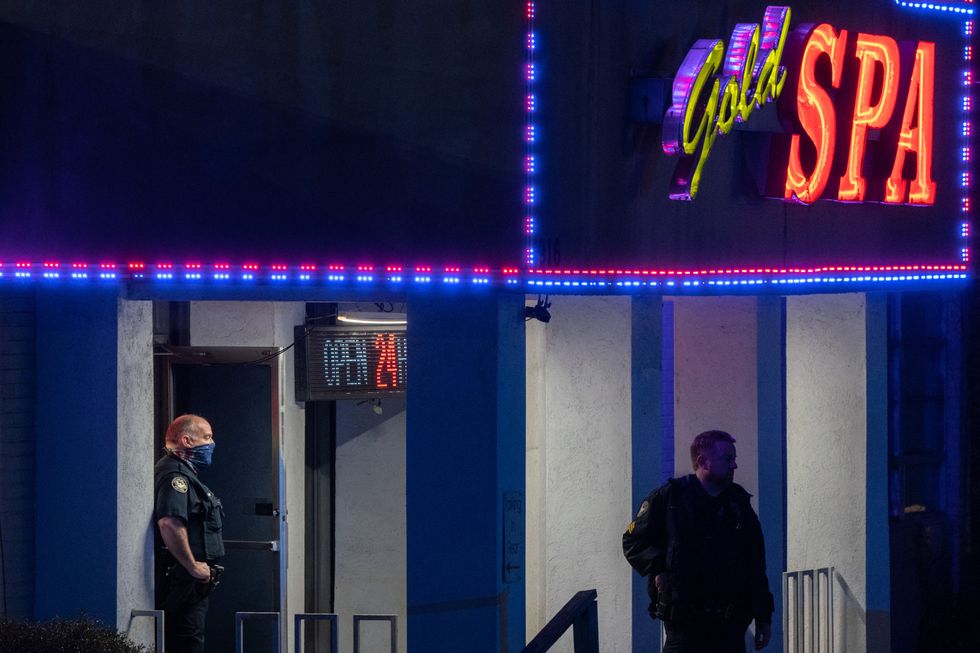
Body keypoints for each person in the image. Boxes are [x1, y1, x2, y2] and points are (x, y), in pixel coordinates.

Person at [623, 430, 773, 653]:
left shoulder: (738, 504)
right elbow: (633, 542)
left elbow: (755, 563)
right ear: (703, 461)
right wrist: (660, 567)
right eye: (727, 459)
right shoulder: (670, 499)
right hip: (685, 629)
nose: (734, 466)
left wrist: (763, 616)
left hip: (729, 629)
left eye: (734, 459)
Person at [154, 414, 225, 653]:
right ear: (186, 440)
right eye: (206, 437)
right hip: (182, 582)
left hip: (191, 585)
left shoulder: (187, 474)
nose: (212, 444)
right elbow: (170, 523)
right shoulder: (176, 477)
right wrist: (193, 566)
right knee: (187, 643)